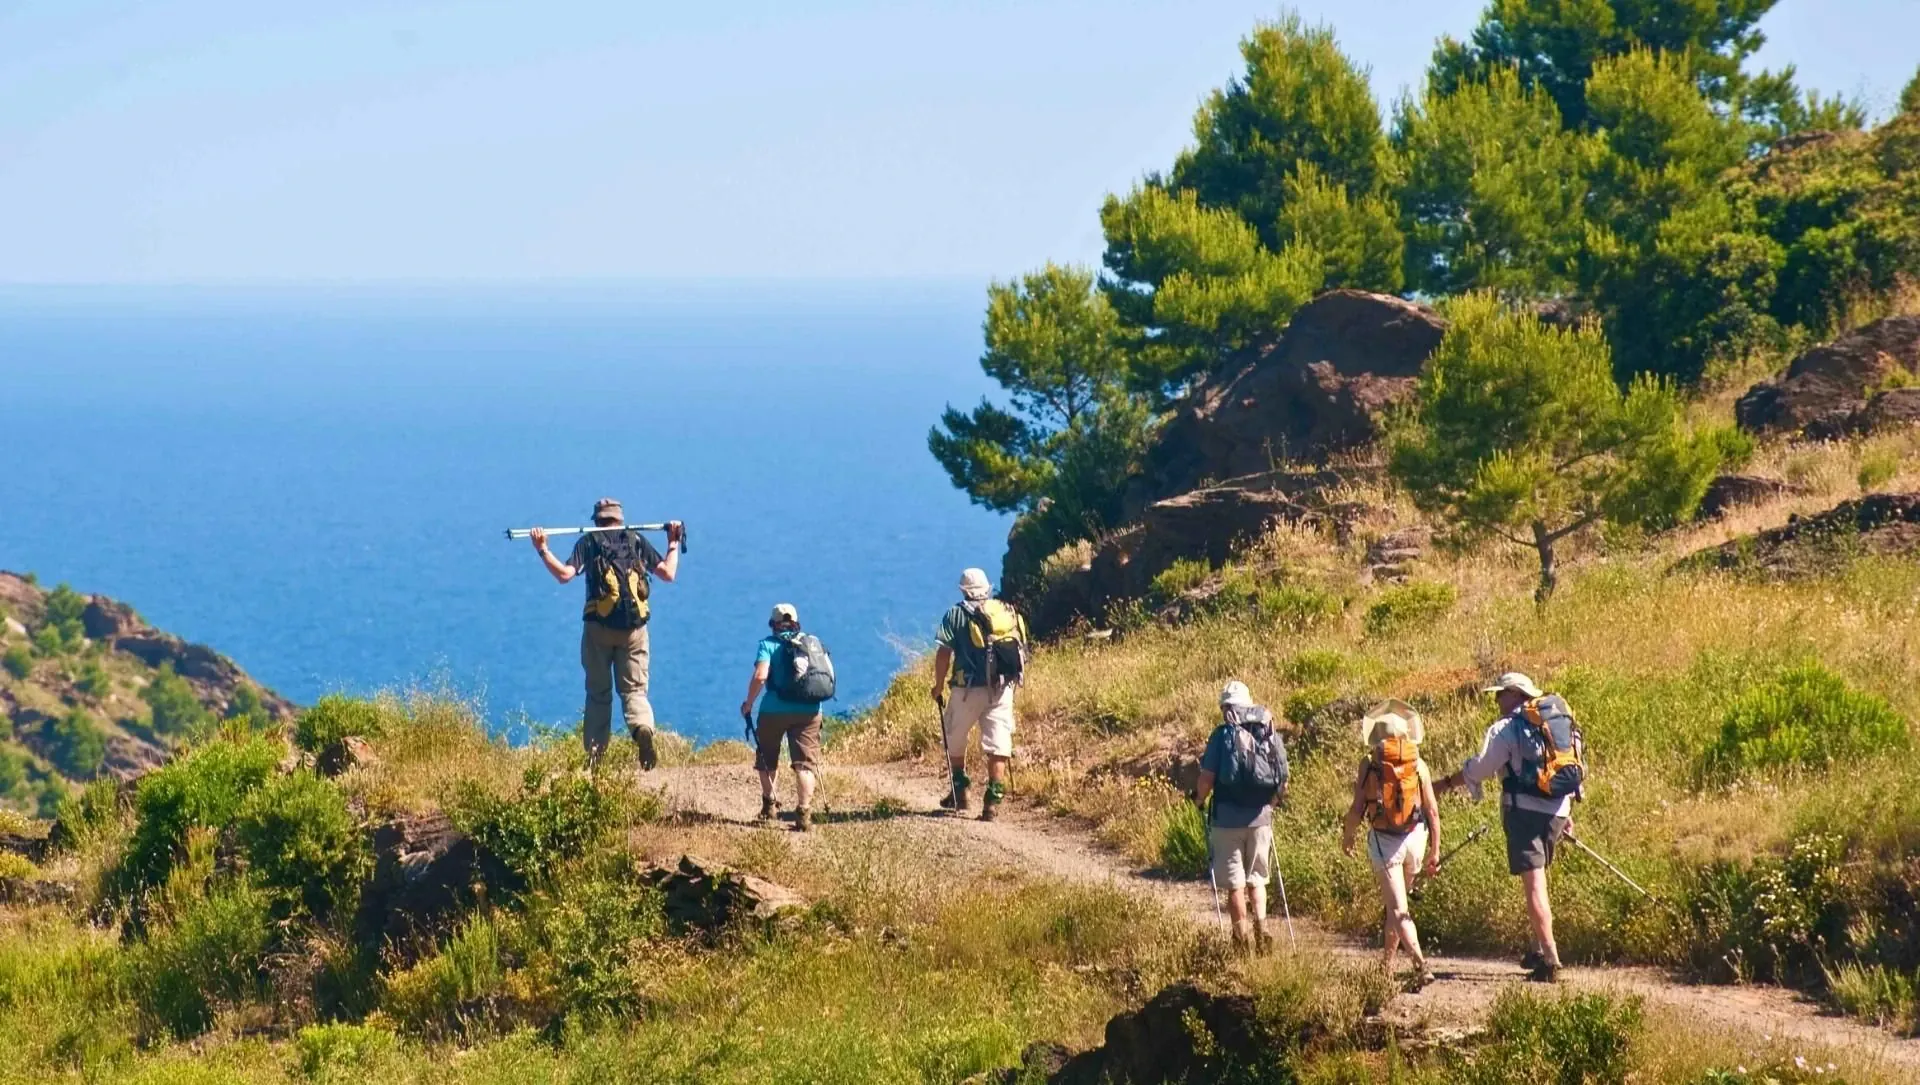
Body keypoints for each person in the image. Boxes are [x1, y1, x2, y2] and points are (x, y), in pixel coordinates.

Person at [1433, 672, 1578, 983]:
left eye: (1500, 694)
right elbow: (1570, 766)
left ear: (1515, 694)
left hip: (1523, 811)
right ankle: (1538, 949)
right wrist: (1567, 814)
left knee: (1535, 885)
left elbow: (1481, 769)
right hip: (1558, 811)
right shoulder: (1556, 721)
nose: (1496, 700)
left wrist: (1445, 784)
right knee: (1540, 883)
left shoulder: (1507, 729)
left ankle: (1550, 960)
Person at [529, 498, 683, 771]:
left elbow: (565, 575)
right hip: (634, 630)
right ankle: (642, 728)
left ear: (597, 520)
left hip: (598, 630)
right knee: (635, 690)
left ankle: (596, 757)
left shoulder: (589, 542)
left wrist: (543, 550)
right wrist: (673, 543)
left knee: (599, 695)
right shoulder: (634, 540)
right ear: (620, 519)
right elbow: (668, 574)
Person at [1340, 699, 1441, 990]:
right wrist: (1434, 851)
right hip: (1415, 840)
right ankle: (1386, 966)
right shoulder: (1418, 764)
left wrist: (1348, 837)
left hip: (1386, 844)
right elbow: (1432, 811)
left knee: (1398, 910)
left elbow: (1357, 808)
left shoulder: (1369, 764)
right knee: (1396, 905)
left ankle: (1421, 966)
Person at [1194, 681, 1289, 954]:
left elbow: (1207, 778)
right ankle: (1262, 929)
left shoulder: (1221, 735)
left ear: (1226, 708)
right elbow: (1283, 778)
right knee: (1257, 878)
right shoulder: (1268, 732)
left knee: (1235, 883)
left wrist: (1199, 800)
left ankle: (1241, 939)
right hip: (1261, 818)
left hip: (1226, 819)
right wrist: (1271, 804)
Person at [929, 568, 1027, 821]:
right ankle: (992, 801)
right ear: (987, 588)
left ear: (963, 590)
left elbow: (943, 653)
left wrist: (938, 685)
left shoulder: (956, 614)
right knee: (998, 741)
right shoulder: (1004, 611)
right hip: (1002, 687)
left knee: (954, 735)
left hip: (966, 688)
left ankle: (960, 791)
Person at [740, 603, 827, 832]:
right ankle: (804, 814)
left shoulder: (768, 645)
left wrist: (748, 703)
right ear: (797, 622)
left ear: (773, 624)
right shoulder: (810, 643)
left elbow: (760, 676)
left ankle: (769, 807)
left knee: (768, 759)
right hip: (809, 710)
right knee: (805, 764)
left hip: (773, 711)